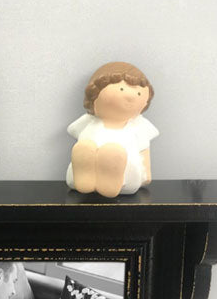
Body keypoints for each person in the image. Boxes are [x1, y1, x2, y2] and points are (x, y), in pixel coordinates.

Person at [66, 61, 159, 198]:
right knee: (85, 147)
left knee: (113, 153)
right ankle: (85, 174)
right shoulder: (90, 121)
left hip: (127, 176)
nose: (130, 97)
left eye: (139, 93)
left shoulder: (138, 126)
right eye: (121, 89)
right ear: (94, 95)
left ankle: (111, 176)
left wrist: (146, 175)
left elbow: (143, 150)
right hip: (88, 166)